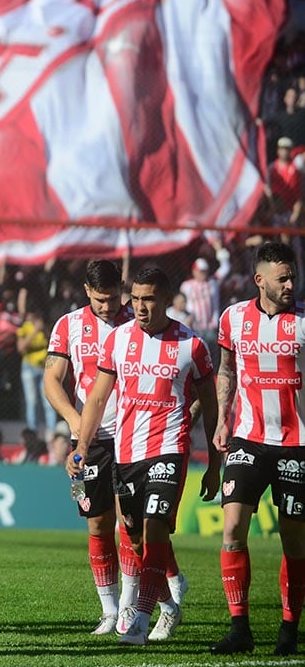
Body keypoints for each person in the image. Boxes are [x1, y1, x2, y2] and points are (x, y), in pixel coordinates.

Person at [68, 266, 219, 645]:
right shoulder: (118, 340)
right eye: (134, 298)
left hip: (169, 449)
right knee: (133, 541)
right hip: (126, 452)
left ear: (167, 299)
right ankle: (169, 606)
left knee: (153, 530)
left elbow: (211, 405)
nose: (139, 306)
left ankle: (139, 620)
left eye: (148, 298)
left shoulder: (192, 346)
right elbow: (99, 397)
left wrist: (215, 461)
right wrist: (82, 447)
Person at [44, 259, 152, 635]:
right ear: (87, 292)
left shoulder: (137, 321)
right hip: (86, 440)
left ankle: (129, 606)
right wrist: (76, 425)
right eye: (101, 299)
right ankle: (108, 610)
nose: (109, 306)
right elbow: (52, 380)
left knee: (130, 522)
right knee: (94, 521)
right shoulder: (68, 325)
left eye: (113, 298)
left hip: (131, 435)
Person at [210, 241, 305, 655]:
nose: (290, 284)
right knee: (232, 529)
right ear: (259, 279)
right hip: (248, 439)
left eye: (293, 277)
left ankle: (288, 631)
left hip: (297, 444)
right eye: (282, 278)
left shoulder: (303, 322)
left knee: (293, 541)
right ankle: (240, 629)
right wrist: (221, 420)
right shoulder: (232, 319)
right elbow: (226, 371)